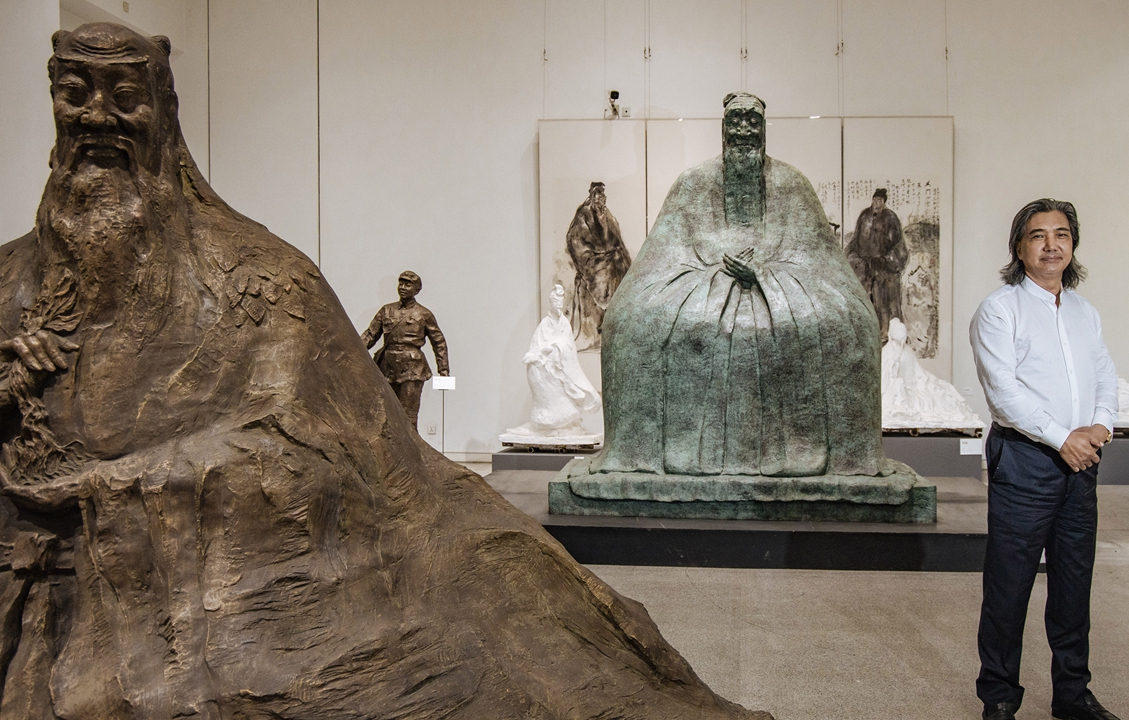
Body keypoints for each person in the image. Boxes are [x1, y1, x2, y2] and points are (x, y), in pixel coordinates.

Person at [0, 23, 773, 718]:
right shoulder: (9, 282)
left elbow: (316, 440)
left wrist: (93, 485)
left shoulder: (264, 275)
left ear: (163, 112)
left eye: (123, 97)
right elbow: (372, 335)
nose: (96, 118)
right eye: (75, 95)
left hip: (273, 522)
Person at [591, 92, 884, 479]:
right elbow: (662, 257)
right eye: (736, 120)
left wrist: (765, 274)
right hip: (700, 280)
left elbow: (818, 259)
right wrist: (716, 275)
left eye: (752, 120)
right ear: (723, 127)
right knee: (629, 323)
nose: (744, 129)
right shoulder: (692, 183)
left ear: (763, 128)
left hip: (780, 282)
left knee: (852, 324)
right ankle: (644, 453)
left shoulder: (792, 184)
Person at [970, 199, 1121, 720]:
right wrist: (1063, 438)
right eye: (1038, 235)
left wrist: (1101, 425)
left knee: (1074, 586)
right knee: (1009, 587)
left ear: (1072, 245)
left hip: (1082, 462)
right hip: (1025, 460)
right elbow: (1003, 393)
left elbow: (1104, 375)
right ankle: (999, 697)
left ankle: (1073, 695)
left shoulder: (1084, 311)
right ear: (1019, 247)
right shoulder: (999, 310)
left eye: (1062, 235)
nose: (1051, 245)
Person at [503, 284, 600, 439]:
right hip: (546, 369)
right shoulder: (544, 325)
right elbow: (535, 347)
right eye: (556, 302)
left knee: (572, 399)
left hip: (560, 367)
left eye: (561, 302)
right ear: (552, 303)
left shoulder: (564, 324)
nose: (559, 305)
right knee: (534, 368)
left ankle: (560, 421)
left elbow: (568, 346)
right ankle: (547, 421)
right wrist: (541, 354)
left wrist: (555, 348)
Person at [360, 270, 449, 428]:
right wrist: (354, 349)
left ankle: (412, 443)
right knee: (386, 412)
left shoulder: (424, 314)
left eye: (408, 285)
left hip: (412, 368)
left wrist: (443, 370)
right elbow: (370, 335)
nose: (402, 287)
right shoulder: (386, 310)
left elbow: (438, 341)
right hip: (387, 366)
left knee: (408, 415)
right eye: (401, 283)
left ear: (417, 289)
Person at [565, 181, 631, 350]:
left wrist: (616, 251)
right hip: (592, 260)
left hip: (608, 256)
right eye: (597, 194)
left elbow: (616, 238)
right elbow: (576, 241)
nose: (600, 197)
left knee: (622, 266)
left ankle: (618, 323)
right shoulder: (583, 214)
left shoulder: (606, 214)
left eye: (602, 194)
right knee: (605, 274)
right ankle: (604, 319)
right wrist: (597, 255)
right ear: (592, 196)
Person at [846, 187, 908, 342]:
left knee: (885, 303)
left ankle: (886, 335)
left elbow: (898, 245)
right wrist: (850, 257)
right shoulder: (864, 216)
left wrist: (884, 261)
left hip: (884, 268)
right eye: (874, 200)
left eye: (879, 201)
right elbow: (855, 240)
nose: (876, 204)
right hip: (864, 268)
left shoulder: (891, 218)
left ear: (884, 202)